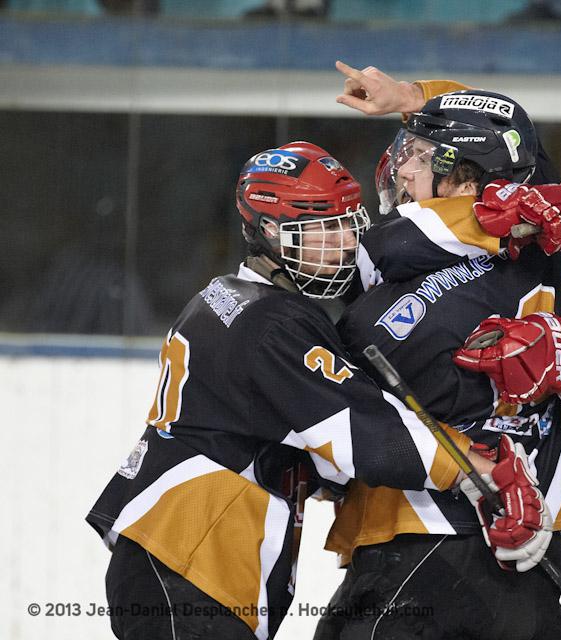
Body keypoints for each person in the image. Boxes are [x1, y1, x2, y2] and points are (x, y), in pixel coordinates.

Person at [85, 142, 493, 640]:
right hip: (192, 561)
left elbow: (288, 441)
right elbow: (356, 429)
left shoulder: (229, 298)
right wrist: (471, 467)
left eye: (349, 222)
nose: (345, 242)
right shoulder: (272, 322)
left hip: (175, 556)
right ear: (272, 233)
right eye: (324, 229)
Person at [314, 76, 561, 639]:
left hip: (512, 555)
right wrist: (427, 108)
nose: (401, 170)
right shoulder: (389, 276)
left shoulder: (533, 263)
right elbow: (386, 256)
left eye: (417, 154)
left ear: (465, 174)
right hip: (417, 537)